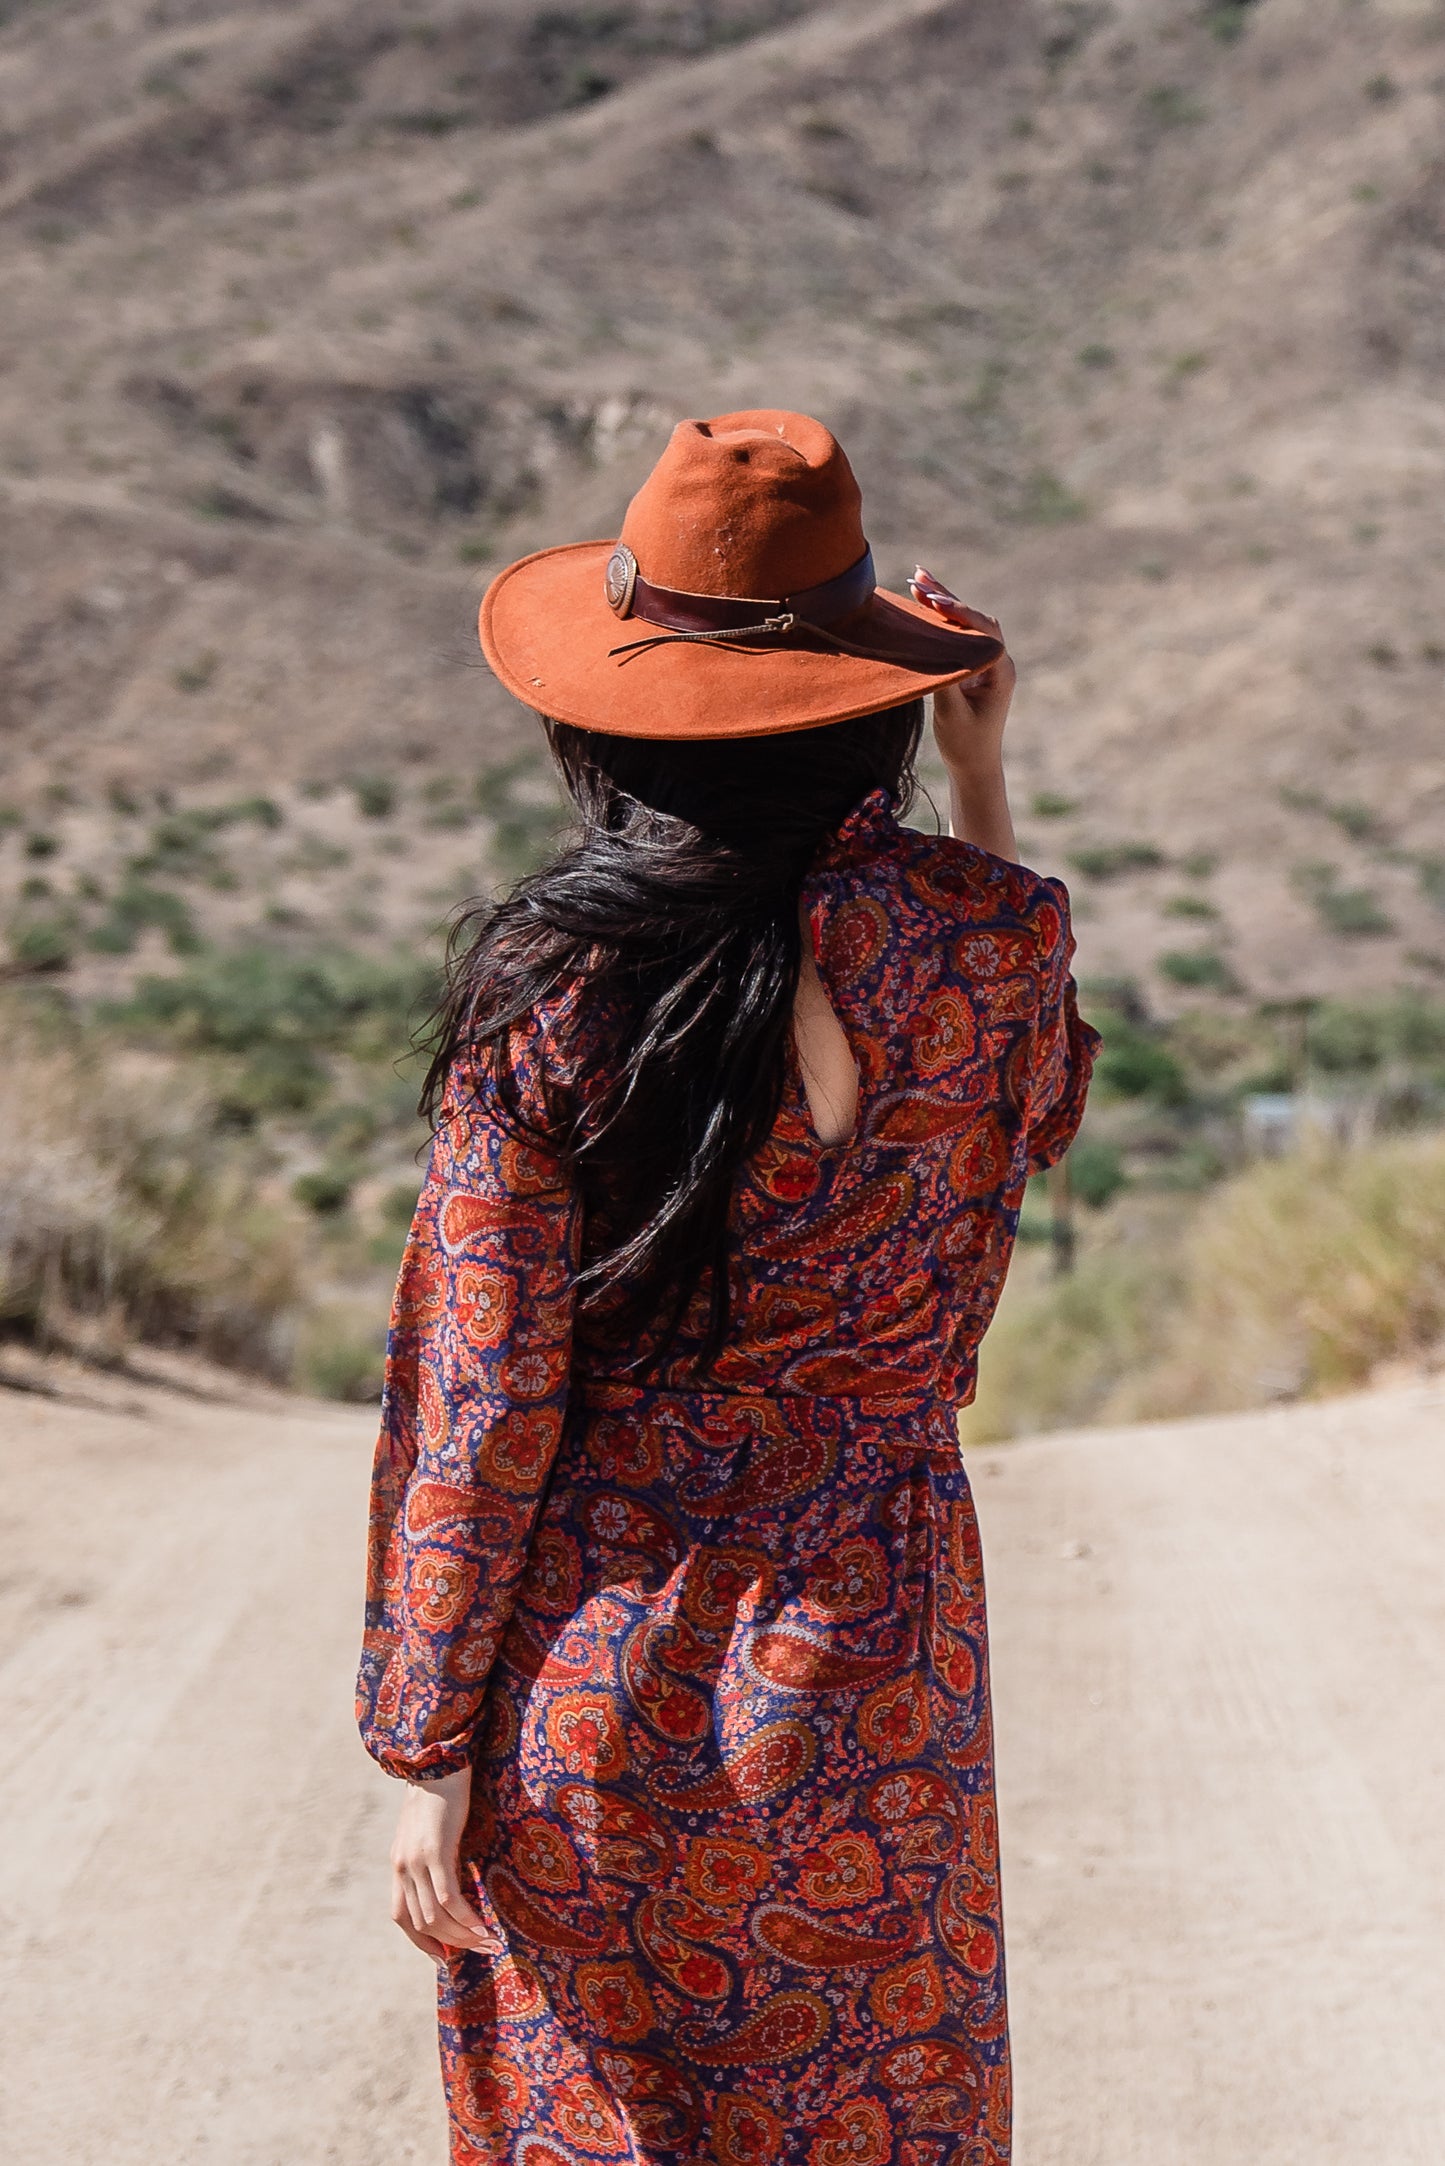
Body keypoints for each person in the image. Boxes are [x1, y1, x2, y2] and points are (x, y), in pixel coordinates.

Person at [357, 409, 1098, 2164]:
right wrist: (979, 783)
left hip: (596, 1652)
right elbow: (1040, 1110)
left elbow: (479, 1398)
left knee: (605, 2120)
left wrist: (424, 1742)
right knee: (872, 2106)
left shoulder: (556, 995)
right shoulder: (992, 943)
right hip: (880, 1644)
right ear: (870, 691)